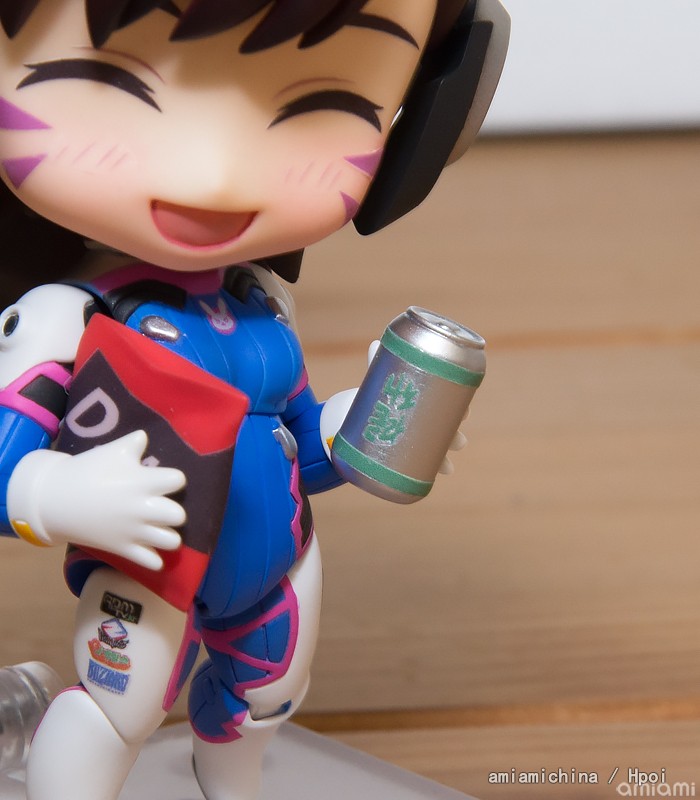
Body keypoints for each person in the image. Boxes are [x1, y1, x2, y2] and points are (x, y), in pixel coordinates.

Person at [0, 2, 509, 798]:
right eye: (109, 85)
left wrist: (366, 430)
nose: (215, 173)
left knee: (264, 699)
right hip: (148, 568)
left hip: (277, 562)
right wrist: (61, 493)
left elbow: (296, 446)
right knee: (116, 710)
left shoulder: (260, 303)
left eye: (320, 106)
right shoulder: (62, 319)